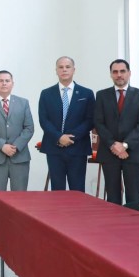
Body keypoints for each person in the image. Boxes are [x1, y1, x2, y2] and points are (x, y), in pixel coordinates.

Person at [94, 59, 139, 204]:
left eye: (122, 71)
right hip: (109, 152)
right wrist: (113, 144)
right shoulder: (101, 95)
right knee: (112, 199)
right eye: (115, 72)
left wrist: (124, 145)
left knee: (133, 199)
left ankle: (133, 221)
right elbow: (98, 123)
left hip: (134, 152)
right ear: (111, 75)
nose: (119, 75)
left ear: (129, 73)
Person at [38, 56, 95, 191]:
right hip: (54, 147)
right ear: (56, 70)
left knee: (77, 189)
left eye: (67, 67)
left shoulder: (86, 93)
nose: (64, 70)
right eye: (61, 67)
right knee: (57, 190)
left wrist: (71, 138)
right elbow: (44, 120)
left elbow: (90, 119)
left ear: (74, 70)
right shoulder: (46, 93)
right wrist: (59, 137)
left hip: (78, 147)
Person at [0, 70, 35, 191]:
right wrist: (2, 146)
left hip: (19, 157)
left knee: (20, 198)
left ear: (12, 84)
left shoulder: (23, 103)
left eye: (7, 81)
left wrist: (15, 146)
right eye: (1, 81)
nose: (4, 83)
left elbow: (29, 128)